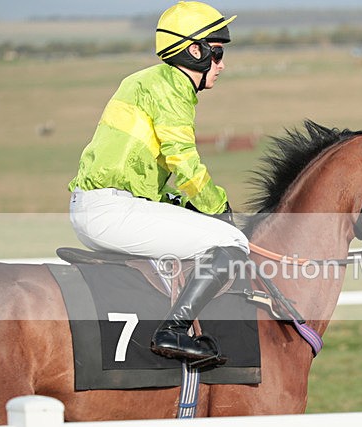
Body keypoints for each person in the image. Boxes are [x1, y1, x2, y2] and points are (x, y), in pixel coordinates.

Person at [67, 1, 248, 364]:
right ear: (194, 50)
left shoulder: (147, 81)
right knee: (232, 240)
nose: (222, 64)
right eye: (217, 52)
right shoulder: (173, 88)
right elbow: (184, 160)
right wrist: (219, 208)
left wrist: (181, 203)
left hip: (103, 205)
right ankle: (173, 331)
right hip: (111, 210)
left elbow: (146, 167)